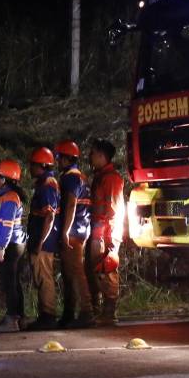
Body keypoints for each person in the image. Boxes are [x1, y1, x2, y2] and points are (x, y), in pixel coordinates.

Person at [55, 140, 95, 329]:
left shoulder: (70, 178)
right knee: (72, 273)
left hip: (72, 232)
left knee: (75, 273)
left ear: (66, 158)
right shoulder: (81, 177)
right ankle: (70, 313)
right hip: (82, 229)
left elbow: (71, 204)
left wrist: (64, 231)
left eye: (59, 157)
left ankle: (86, 312)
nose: (57, 161)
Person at [86, 139, 125, 326]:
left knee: (107, 270)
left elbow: (114, 209)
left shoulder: (111, 178)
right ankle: (100, 311)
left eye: (93, 153)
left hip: (104, 234)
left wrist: (112, 240)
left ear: (102, 155)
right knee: (97, 272)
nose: (90, 157)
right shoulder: (101, 176)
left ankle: (109, 313)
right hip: (97, 232)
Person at [0, 159, 28, 333]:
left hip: (10, 245)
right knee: (14, 282)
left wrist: (1, 248)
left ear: (5, 179)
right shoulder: (7, 196)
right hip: (14, 244)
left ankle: (12, 318)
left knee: (9, 282)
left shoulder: (10, 198)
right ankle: (19, 317)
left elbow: (7, 225)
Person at [25, 147, 61, 331]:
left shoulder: (47, 184)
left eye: (33, 164)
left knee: (44, 277)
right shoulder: (45, 183)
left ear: (42, 165)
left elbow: (50, 216)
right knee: (42, 277)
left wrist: (40, 242)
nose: (30, 168)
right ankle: (46, 314)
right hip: (42, 239)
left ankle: (48, 315)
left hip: (43, 242)